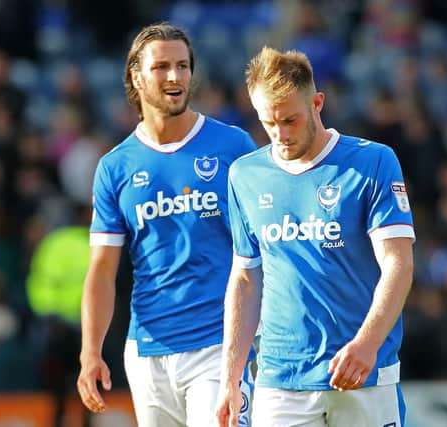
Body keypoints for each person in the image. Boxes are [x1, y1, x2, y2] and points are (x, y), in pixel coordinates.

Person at [216, 46, 415, 427]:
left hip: (364, 372)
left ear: (317, 103)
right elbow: (245, 278)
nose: (279, 135)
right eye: (268, 123)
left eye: (289, 120)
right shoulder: (244, 175)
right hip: (280, 376)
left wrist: (367, 343)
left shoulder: (372, 161)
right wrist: (230, 379)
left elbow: (398, 262)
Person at [76, 22, 256, 427]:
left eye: (183, 66)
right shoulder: (115, 168)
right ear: (136, 77)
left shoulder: (234, 147)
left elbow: (265, 246)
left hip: (220, 344)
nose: (175, 77)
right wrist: (90, 351)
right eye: (161, 67)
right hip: (147, 352)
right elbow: (102, 270)